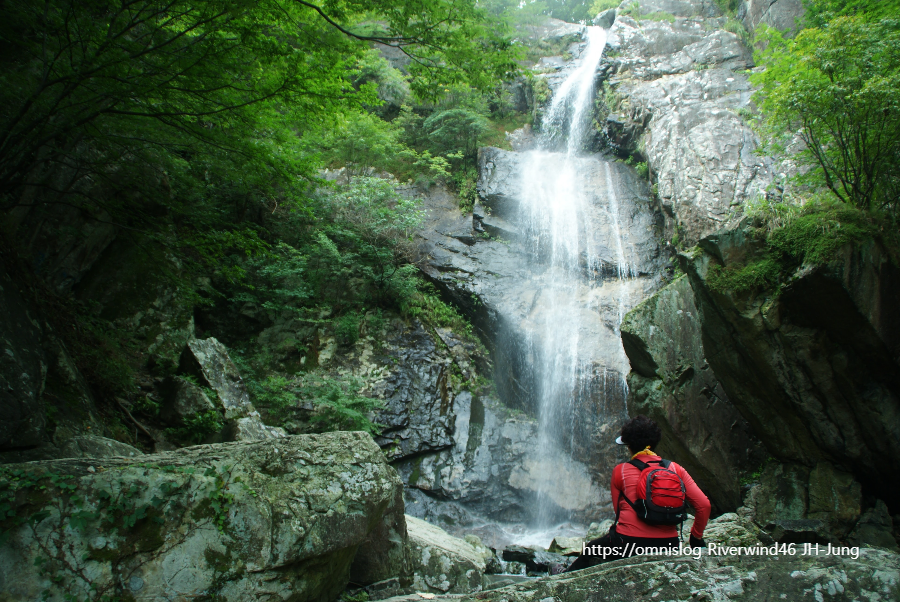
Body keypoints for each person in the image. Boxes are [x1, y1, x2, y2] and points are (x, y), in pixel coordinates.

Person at [565, 415, 711, 572]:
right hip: (669, 544)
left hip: (627, 545)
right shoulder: (676, 469)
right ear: (655, 443)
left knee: (592, 548)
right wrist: (695, 539)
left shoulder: (620, 471)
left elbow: (618, 513)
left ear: (629, 446)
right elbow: (704, 505)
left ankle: (563, 575)